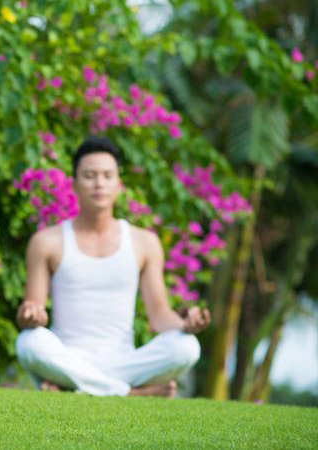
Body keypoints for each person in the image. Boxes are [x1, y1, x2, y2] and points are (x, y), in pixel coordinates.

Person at [14, 137, 210, 397]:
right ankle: (133, 393)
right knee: (29, 342)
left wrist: (187, 326)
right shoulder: (46, 242)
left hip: (124, 363)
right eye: (89, 175)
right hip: (66, 357)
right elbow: (31, 311)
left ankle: (76, 388)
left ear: (119, 185)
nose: (99, 183)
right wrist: (31, 316)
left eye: (107, 175)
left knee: (187, 347)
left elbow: (159, 314)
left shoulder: (144, 242)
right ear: (74, 185)